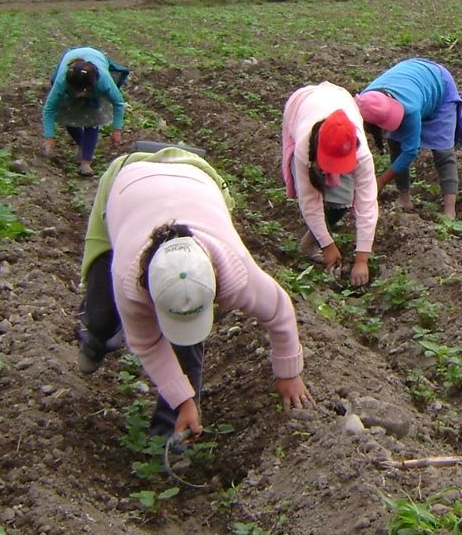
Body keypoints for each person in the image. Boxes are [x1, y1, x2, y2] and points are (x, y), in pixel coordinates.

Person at [76, 146, 311, 442]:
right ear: (147, 288)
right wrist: (183, 398)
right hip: (126, 182)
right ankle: (95, 340)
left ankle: (167, 432)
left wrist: (288, 372)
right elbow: (148, 344)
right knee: (101, 315)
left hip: (199, 178)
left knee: (186, 342)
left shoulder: (236, 271)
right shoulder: (127, 277)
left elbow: (279, 311)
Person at [280, 82, 379, 287]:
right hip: (303, 104)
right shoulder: (304, 145)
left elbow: (367, 203)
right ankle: (313, 242)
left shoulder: (361, 154)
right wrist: (327, 245)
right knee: (315, 186)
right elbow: (309, 200)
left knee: (341, 201)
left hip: (339, 100)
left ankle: (310, 240)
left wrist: (362, 259)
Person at [354, 57, 462, 218]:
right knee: (395, 143)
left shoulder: (410, 108)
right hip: (411, 80)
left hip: (439, 85)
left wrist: (380, 182)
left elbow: (410, 151)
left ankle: (450, 211)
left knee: (443, 153)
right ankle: (404, 199)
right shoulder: (366, 102)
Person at [42, 47, 127, 176]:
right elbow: (49, 108)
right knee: (68, 118)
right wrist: (49, 136)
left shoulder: (103, 81)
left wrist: (117, 130)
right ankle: (83, 145)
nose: (78, 95)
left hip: (96, 59)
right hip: (72, 59)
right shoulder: (62, 81)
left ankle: (86, 162)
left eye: (82, 91)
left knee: (92, 121)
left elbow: (118, 103)